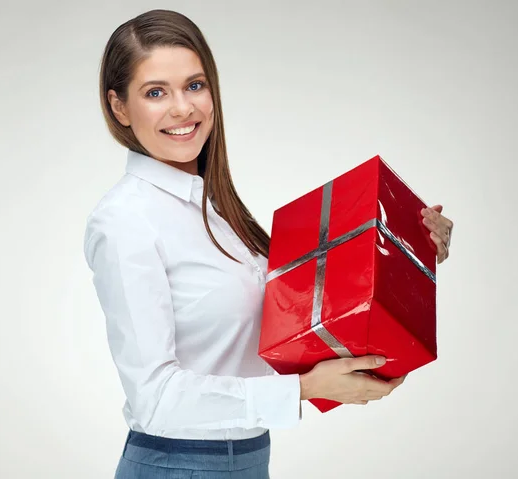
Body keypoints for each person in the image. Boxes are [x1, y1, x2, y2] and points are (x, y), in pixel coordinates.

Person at [83, 8, 454, 479]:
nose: (183, 108)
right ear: (119, 108)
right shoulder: (124, 221)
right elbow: (155, 397)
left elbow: (302, 314)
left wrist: (409, 246)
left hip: (249, 459)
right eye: (155, 92)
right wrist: (301, 390)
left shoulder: (218, 211)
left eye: (195, 85)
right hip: (176, 465)